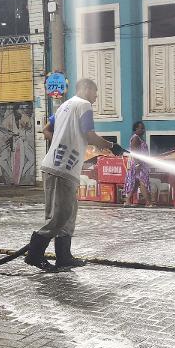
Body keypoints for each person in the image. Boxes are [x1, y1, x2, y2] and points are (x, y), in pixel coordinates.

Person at [24, 78, 126, 270]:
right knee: (60, 215)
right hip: (62, 168)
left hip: (57, 167)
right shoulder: (84, 105)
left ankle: (64, 256)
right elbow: (89, 135)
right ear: (86, 89)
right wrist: (112, 146)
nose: (96, 98)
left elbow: (46, 130)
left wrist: (63, 141)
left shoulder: (64, 106)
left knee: (67, 215)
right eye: (95, 92)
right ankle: (34, 254)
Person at [124, 121, 153, 207]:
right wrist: (137, 164)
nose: (143, 130)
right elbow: (134, 152)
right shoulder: (135, 138)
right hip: (138, 164)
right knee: (143, 182)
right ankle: (148, 202)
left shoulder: (139, 138)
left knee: (135, 183)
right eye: (141, 128)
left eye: (144, 128)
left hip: (140, 163)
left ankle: (127, 201)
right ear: (136, 129)